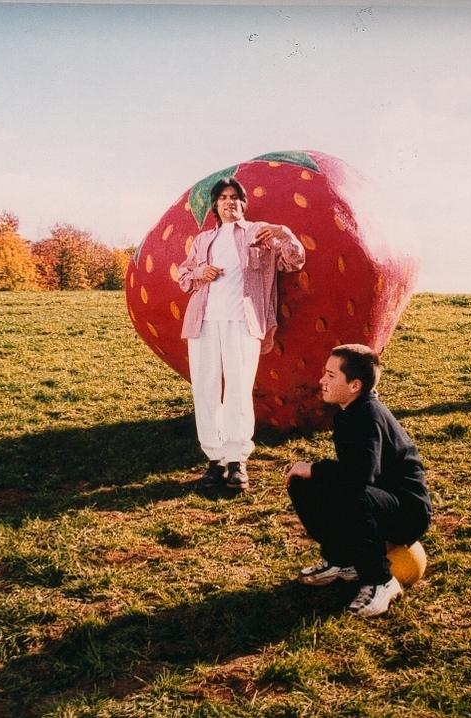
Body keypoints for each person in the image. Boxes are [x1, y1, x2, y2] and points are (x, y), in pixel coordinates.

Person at [178, 177, 305, 490]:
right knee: (205, 388)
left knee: (238, 388)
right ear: (215, 206)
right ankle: (214, 460)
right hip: (203, 322)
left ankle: (237, 461)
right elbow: (183, 276)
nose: (229, 202)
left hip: (243, 321)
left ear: (243, 203)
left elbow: (294, 261)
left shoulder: (259, 232)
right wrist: (199, 273)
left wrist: (285, 234)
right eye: (222, 198)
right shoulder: (203, 239)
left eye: (235, 197)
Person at [286, 344, 431, 618]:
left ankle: (381, 581)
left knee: (347, 491)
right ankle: (342, 561)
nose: (321, 381)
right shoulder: (349, 410)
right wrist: (312, 474)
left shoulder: (367, 415)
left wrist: (316, 468)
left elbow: (360, 477)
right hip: (379, 499)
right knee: (303, 483)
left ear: (354, 385)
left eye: (331, 375)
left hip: (408, 513)